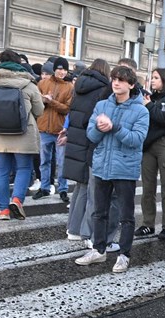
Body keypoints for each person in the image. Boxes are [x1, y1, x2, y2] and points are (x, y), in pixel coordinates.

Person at [74, 66, 149, 273]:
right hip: (102, 165)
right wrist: (99, 127)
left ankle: (124, 254)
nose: (116, 83)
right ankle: (99, 249)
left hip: (125, 167)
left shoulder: (141, 110)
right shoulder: (101, 105)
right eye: (114, 79)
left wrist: (114, 127)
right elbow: (91, 135)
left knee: (126, 215)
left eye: (122, 80)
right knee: (99, 211)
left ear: (131, 85)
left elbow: (137, 140)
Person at [0, 49, 44, 220]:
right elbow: (39, 110)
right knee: (24, 168)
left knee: (1, 171)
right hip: (23, 132)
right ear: (19, 64)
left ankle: (4, 210)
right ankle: (17, 200)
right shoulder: (29, 84)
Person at [63, 58, 119, 250]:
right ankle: (82, 231)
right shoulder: (103, 89)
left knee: (80, 186)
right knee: (88, 187)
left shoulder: (79, 85)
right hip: (89, 139)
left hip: (76, 137)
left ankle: (72, 228)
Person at [135, 68, 165, 241]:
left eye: (156, 78)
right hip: (149, 145)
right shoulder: (151, 98)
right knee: (148, 187)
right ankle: (148, 224)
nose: (152, 80)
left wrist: (150, 107)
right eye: (151, 77)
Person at [34, 57, 73, 202]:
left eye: (64, 69)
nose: (61, 72)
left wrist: (52, 102)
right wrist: (43, 101)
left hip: (60, 129)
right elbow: (35, 103)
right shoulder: (43, 83)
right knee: (44, 161)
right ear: (54, 69)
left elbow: (67, 109)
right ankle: (44, 187)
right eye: (59, 69)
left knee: (61, 162)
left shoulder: (70, 87)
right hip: (43, 128)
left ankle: (63, 189)